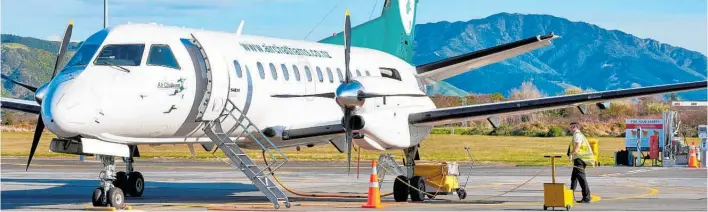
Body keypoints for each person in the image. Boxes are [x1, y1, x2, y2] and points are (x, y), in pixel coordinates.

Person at [567, 122, 595, 203]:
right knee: (574, 178)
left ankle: (587, 197)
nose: (570, 129)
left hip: (581, 159)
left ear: (575, 127)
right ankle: (570, 195)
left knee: (581, 178)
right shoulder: (577, 135)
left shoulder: (577, 134)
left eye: (571, 127)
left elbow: (578, 145)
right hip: (579, 158)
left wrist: (572, 154)